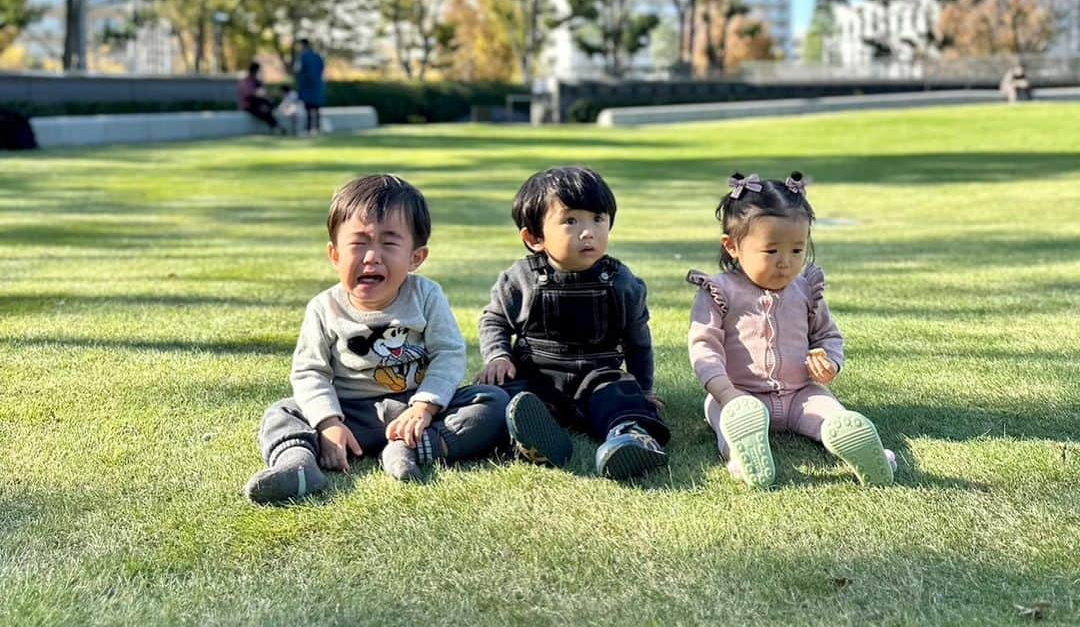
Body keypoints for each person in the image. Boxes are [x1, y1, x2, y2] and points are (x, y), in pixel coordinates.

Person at [244, 174, 508, 503]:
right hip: (349, 414)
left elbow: (449, 354)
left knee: (492, 402)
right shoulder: (324, 308)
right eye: (359, 243)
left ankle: (409, 450)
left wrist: (424, 407)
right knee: (282, 413)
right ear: (335, 254)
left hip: (412, 411)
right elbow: (310, 371)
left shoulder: (425, 295)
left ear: (416, 257)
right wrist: (328, 423)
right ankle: (297, 465)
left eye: (389, 242)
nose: (372, 256)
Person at [687, 171, 895, 488]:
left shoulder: (805, 290)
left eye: (797, 250)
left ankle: (860, 446)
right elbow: (705, 347)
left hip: (801, 393)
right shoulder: (720, 291)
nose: (785, 262)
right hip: (739, 393)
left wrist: (829, 363)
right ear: (732, 246)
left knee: (829, 412)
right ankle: (741, 456)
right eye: (771, 251)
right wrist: (725, 392)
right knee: (724, 416)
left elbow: (827, 335)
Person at [476, 165, 669, 481]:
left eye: (598, 219)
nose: (588, 231)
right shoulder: (521, 279)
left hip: (597, 376)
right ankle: (535, 437)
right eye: (571, 221)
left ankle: (630, 436)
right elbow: (495, 319)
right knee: (505, 398)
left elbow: (638, 339)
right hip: (538, 375)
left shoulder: (621, 281)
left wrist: (644, 387)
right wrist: (497, 355)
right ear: (535, 237)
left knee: (620, 394)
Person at [237, 61, 280, 132]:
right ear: (255, 71)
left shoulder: (257, 81)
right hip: (249, 105)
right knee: (264, 111)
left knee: (268, 106)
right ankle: (275, 126)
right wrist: (256, 93)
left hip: (258, 104)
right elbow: (247, 94)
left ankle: (275, 126)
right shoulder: (246, 81)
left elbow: (264, 93)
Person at [294, 37, 325, 134]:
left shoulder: (303, 57)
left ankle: (309, 128)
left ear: (303, 45)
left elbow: (298, 71)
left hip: (307, 86)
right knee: (316, 108)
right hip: (317, 86)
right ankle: (317, 128)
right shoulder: (317, 56)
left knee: (308, 109)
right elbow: (322, 69)